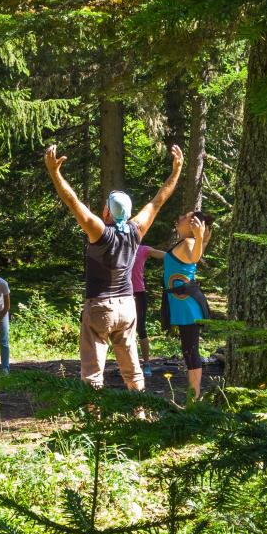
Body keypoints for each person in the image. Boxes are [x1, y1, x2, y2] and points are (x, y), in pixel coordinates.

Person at [44, 143, 184, 391]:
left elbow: (72, 201)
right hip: (127, 307)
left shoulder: (99, 232)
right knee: (132, 370)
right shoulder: (136, 230)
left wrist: (55, 173)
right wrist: (176, 171)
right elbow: (157, 201)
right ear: (128, 213)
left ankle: (94, 418)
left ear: (107, 211)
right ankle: (139, 413)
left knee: (92, 373)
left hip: (100, 307)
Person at [162, 211, 214, 400]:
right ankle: (194, 394)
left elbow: (193, 259)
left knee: (191, 350)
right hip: (184, 303)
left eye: (184, 217)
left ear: (193, 224)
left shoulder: (190, 242)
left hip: (187, 305)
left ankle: (195, 396)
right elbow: (188, 259)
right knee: (188, 348)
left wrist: (200, 237)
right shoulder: (186, 243)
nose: (179, 218)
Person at [131, 243, 166, 377]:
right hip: (121, 293)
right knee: (123, 329)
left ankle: (146, 363)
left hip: (138, 293)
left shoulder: (143, 249)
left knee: (141, 328)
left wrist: (189, 255)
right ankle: (129, 364)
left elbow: (165, 255)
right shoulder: (119, 246)